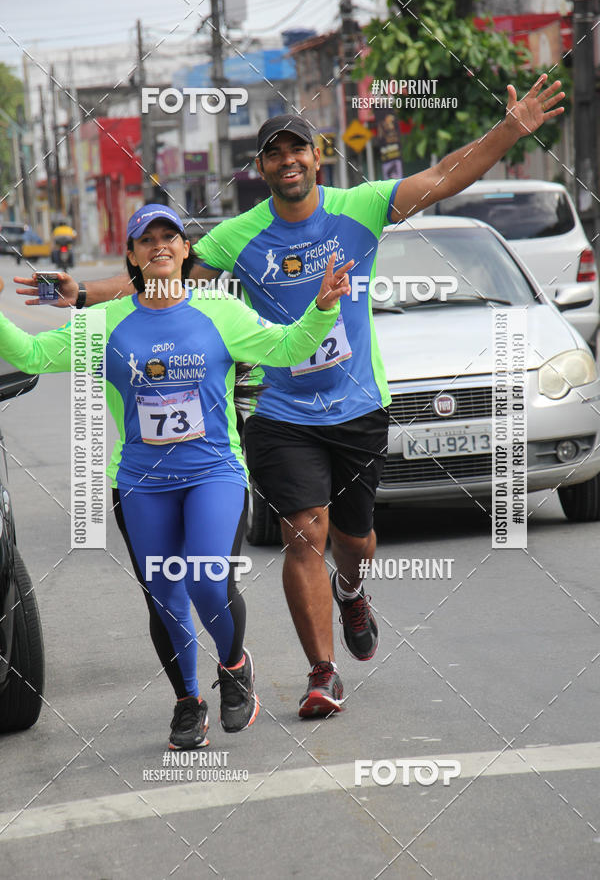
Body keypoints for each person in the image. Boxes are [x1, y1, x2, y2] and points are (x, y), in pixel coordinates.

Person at [15, 75, 565, 718]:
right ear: (261, 168)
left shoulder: (360, 208)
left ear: (316, 156)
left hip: (358, 406)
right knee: (305, 532)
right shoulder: (241, 234)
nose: (288, 161)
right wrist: (81, 295)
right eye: (274, 153)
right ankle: (321, 673)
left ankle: (353, 590)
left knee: (353, 539)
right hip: (280, 412)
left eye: (296, 149)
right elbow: (162, 274)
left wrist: (510, 130)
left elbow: (445, 174)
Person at [4, 203, 350, 747]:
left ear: (186, 251)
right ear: (134, 256)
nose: (160, 245)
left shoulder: (221, 312)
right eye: (148, 239)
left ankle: (234, 667)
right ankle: (188, 702)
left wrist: (324, 307)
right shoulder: (102, 324)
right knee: (164, 596)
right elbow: (25, 351)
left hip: (213, 472)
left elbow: (289, 347)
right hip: (142, 483)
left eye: (171, 237)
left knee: (206, 578)